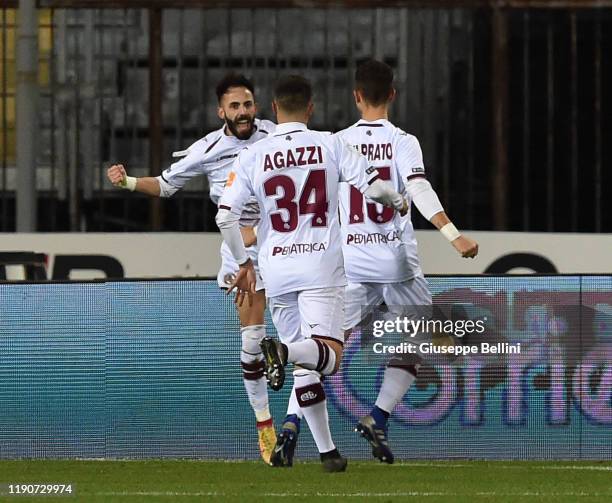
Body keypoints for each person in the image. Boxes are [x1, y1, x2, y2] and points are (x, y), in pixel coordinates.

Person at [216, 75, 409, 472]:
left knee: (308, 364)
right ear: (310, 108)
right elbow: (373, 188)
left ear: (273, 109)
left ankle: (327, 453)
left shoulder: (254, 154)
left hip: (276, 269)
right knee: (329, 357)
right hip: (320, 267)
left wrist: (243, 262)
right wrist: (400, 201)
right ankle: (282, 352)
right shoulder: (330, 143)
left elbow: (224, 216)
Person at [106, 73, 277, 465]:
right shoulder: (207, 149)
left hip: (285, 244)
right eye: (235, 106)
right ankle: (265, 425)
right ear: (222, 112)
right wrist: (128, 181)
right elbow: (166, 186)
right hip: (240, 251)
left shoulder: (276, 135)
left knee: (306, 335)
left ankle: (298, 425)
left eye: (248, 104)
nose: (243, 112)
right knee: (252, 343)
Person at [339, 59, 479, 464]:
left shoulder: (337, 142)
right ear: (393, 95)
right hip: (395, 262)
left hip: (351, 260)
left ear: (356, 96)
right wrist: (453, 234)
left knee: (329, 343)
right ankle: (379, 416)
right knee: (424, 337)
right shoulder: (403, 141)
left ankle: (292, 426)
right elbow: (418, 187)